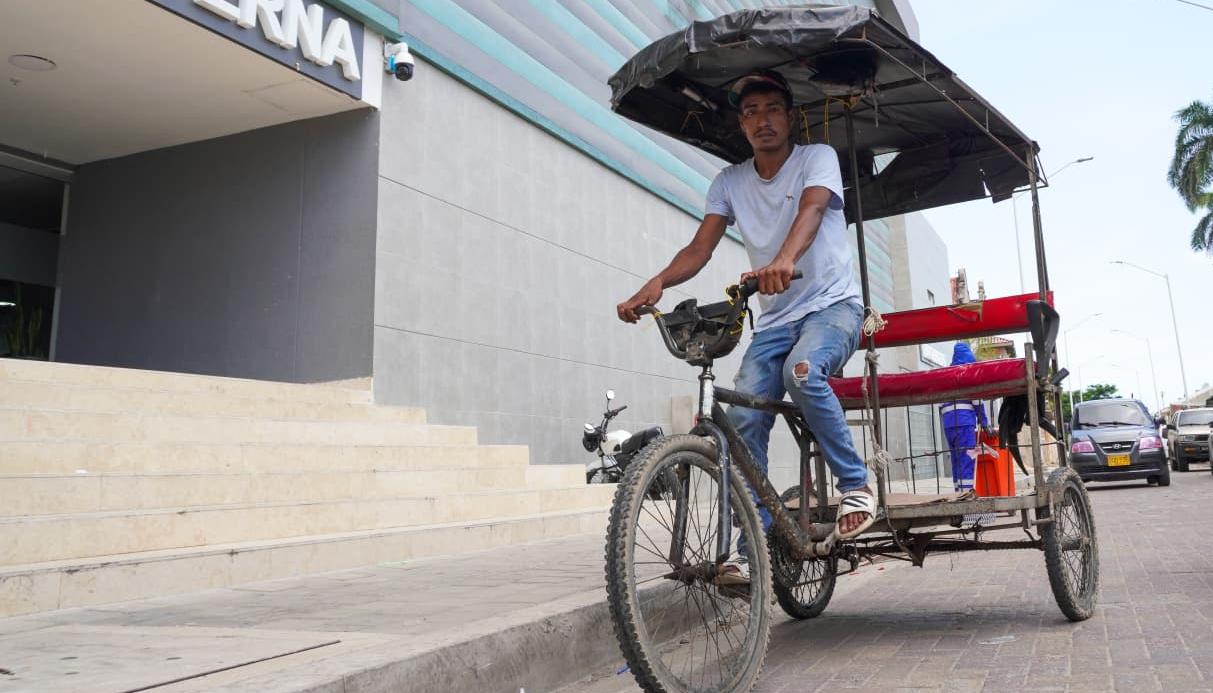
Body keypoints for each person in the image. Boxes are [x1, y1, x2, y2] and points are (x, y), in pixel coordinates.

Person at [616, 70, 873, 584]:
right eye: (751, 112)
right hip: (775, 321)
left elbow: (814, 209)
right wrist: (658, 282)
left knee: (803, 373)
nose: (762, 121)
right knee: (743, 420)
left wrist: (782, 259)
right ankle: (742, 548)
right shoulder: (729, 182)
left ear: (790, 115)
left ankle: (857, 483)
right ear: (741, 124)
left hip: (833, 307)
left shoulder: (815, 158)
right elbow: (700, 247)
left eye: (771, 109)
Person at [940, 342, 990, 492]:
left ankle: (958, 495)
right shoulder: (969, 373)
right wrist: (984, 422)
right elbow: (977, 401)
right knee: (966, 459)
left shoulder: (946, 376)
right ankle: (967, 497)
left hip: (949, 425)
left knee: (956, 460)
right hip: (964, 423)